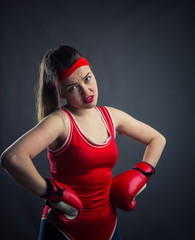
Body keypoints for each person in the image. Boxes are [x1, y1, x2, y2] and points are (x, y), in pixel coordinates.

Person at [0, 45, 166, 240]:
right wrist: (50, 192)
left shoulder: (111, 116)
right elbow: (12, 158)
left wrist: (142, 173)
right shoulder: (60, 122)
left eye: (87, 78)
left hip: (108, 226)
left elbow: (157, 139)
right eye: (73, 87)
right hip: (64, 229)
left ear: (92, 72)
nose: (86, 90)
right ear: (61, 92)